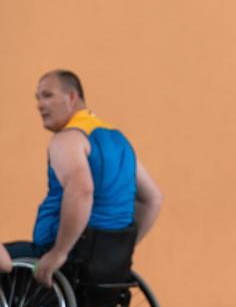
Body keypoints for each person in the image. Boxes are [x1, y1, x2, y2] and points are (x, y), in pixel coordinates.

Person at [5, 70, 162, 287]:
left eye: (47, 95)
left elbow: (82, 191)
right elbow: (153, 199)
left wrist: (59, 252)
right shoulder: (119, 142)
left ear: (71, 97)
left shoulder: (68, 139)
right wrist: (119, 251)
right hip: (104, 265)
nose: (39, 105)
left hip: (64, 259)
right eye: (37, 98)